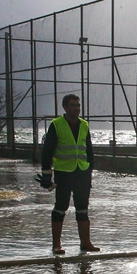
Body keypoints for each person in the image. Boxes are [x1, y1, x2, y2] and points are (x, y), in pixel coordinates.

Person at [39, 94, 99, 254]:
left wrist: (90, 171)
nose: (76, 108)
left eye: (78, 105)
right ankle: (56, 244)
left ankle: (85, 242)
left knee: (83, 208)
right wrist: (46, 175)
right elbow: (47, 151)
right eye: (73, 105)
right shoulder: (56, 124)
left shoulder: (84, 125)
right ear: (65, 107)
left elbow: (89, 150)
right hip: (64, 172)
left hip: (82, 172)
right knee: (60, 207)